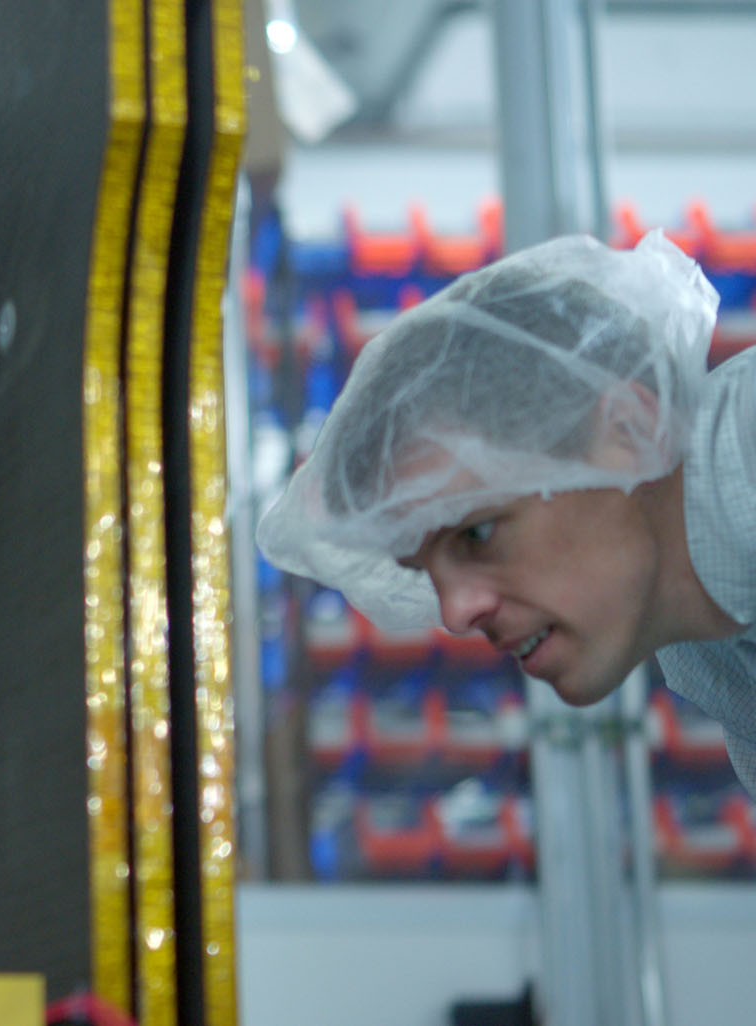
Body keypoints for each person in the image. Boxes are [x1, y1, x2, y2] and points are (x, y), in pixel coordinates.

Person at [256, 231, 756, 792]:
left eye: (478, 533)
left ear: (628, 429)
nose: (456, 612)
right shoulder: (706, 648)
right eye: (423, 570)